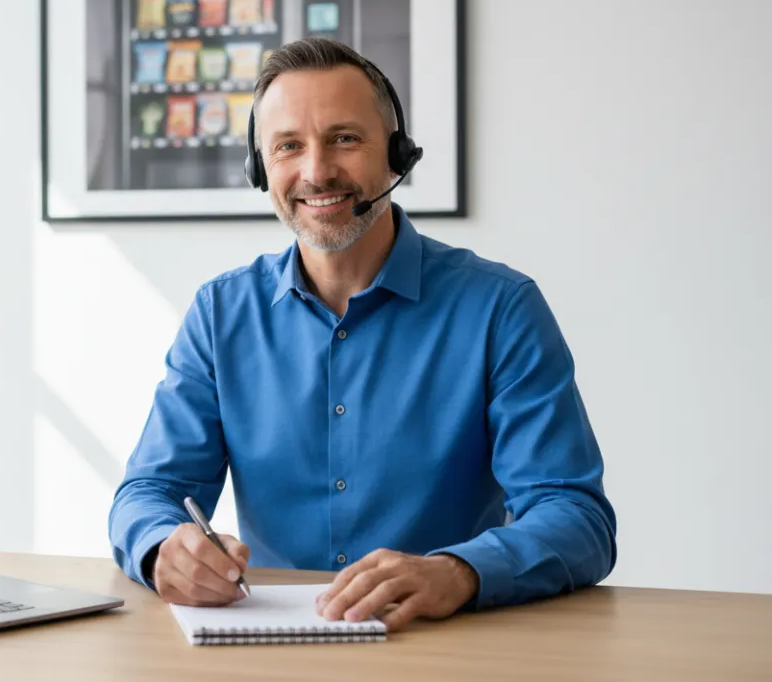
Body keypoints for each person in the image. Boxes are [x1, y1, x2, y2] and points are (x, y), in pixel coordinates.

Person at [107, 36, 617, 632]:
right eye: (288, 146)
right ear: (259, 168)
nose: (317, 171)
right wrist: (163, 546)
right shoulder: (221, 313)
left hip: (445, 647)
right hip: (270, 650)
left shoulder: (500, 308)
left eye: (344, 139)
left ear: (397, 156)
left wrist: (458, 571)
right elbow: (146, 491)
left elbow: (577, 515)